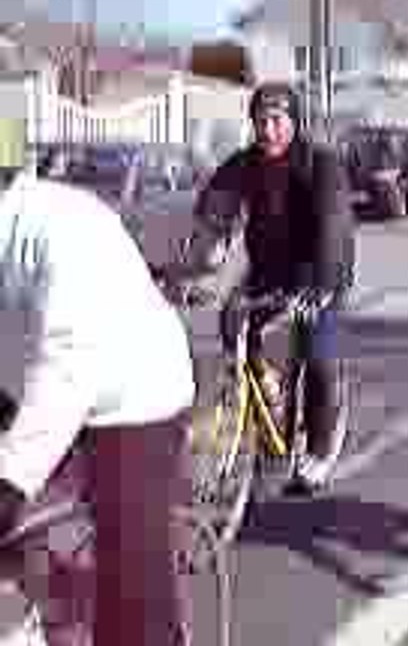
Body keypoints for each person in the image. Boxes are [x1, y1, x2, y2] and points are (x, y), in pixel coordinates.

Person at [0, 168, 195, 644]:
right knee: (21, 540)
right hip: (23, 382)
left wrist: (9, 481)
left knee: (131, 586)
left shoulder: (65, 231)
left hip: (133, 398)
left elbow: (66, 370)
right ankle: (56, 606)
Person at [184, 82, 356, 490]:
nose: (268, 130)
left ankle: (317, 449)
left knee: (318, 356)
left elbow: (334, 226)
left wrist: (323, 284)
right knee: (233, 325)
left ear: (294, 123)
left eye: (277, 120)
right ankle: (263, 423)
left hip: (318, 271)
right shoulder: (245, 164)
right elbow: (214, 211)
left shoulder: (321, 164)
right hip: (268, 270)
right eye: (261, 121)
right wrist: (198, 266)